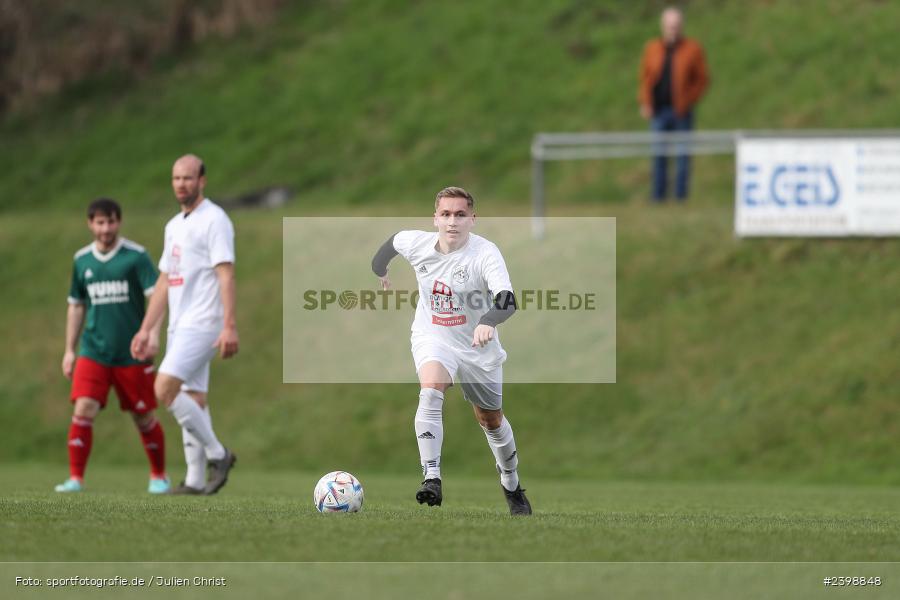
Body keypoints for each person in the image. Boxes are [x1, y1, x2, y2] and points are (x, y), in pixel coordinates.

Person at [371, 186, 532, 515]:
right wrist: (381, 272)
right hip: (433, 335)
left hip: (477, 347)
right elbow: (386, 249)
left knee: (490, 419)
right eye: (445, 214)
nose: (452, 221)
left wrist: (488, 321)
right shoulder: (416, 243)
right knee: (430, 389)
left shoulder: (485, 253)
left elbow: (507, 299)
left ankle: (511, 484)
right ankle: (432, 478)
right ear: (435, 219)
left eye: (460, 214)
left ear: (473, 219)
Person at [131, 154, 238, 495]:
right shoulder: (174, 225)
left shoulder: (215, 220)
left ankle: (219, 455)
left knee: (164, 388)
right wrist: (147, 328)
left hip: (204, 322)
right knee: (194, 399)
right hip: (179, 323)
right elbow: (164, 280)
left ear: (202, 180)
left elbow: (226, 274)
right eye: (176, 178)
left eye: (188, 178)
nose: (182, 184)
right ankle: (194, 480)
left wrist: (229, 325)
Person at [57, 198, 169, 494]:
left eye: (111, 221)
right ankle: (75, 479)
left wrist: (153, 335)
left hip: (132, 354)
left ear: (119, 222)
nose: (106, 228)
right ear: (90, 224)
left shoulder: (136, 257)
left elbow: (157, 298)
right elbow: (76, 306)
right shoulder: (82, 260)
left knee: (143, 416)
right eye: (100, 222)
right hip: (93, 351)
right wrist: (70, 349)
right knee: (83, 408)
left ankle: (159, 476)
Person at [639, 6, 710, 201]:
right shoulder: (652, 48)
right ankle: (658, 196)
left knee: (682, 156)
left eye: (676, 25)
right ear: (663, 26)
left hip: (681, 111)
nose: (673, 29)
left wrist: (689, 100)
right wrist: (646, 102)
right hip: (659, 111)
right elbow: (645, 78)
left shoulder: (692, 49)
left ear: (682, 26)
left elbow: (702, 79)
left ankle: (680, 197)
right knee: (658, 155)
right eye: (670, 26)